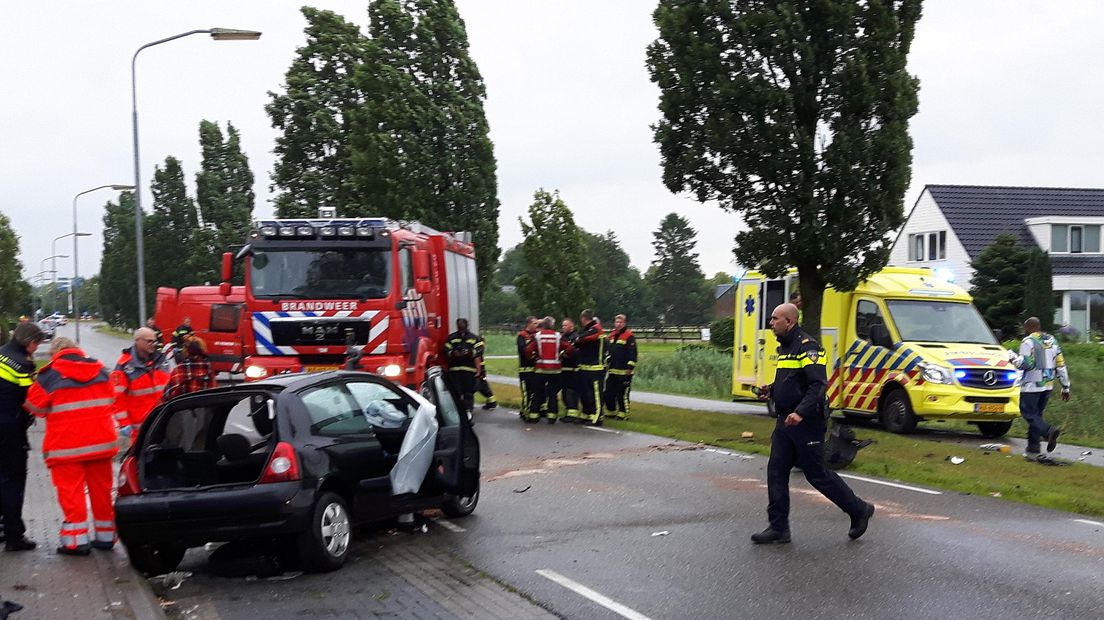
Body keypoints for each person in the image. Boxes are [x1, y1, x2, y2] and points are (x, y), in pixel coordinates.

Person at [751, 303, 873, 545]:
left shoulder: (809, 348)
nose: (771, 323)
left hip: (806, 422)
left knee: (816, 474)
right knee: (776, 471)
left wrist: (800, 413)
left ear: (790, 321)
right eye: (772, 319)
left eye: (775, 319)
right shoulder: (786, 347)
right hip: (785, 421)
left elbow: (817, 385)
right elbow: (792, 381)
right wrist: (772, 390)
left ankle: (859, 510)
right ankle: (778, 528)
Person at [23, 338, 118, 555]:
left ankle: (76, 542)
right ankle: (105, 537)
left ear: (56, 351)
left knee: (71, 493)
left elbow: (34, 407)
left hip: (66, 447)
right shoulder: (100, 369)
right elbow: (112, 398)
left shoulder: (50, 375)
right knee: (101, 492)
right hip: (101, 443)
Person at [0, 323, 45, 552]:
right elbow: (31, 402)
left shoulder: (1, 355)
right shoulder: (22, 364)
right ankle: (14, 536)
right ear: (30, 343)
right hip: (9, 431)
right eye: (37, 344)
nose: (36, 349)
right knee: (13, 482)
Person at [1010, 316, 1071, 460]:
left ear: (1028, 328)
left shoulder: (1028, 342)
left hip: (1032, 385)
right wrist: (1065, 386)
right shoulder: (1052, 341)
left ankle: (1048, 431)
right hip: (1047, 385)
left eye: (1025, 328)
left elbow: (1027, 364)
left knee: (1028, 413)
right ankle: (1033, 446)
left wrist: (1012, 358)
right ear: (1039, 326)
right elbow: (1060, 365)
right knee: (1037, 415)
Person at [111, 327, 171, 437]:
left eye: (154, 341)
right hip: (139, 430)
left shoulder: (162, 361)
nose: (153, 344)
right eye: (149, 341)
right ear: (137, 341)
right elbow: (117, 397)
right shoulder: (125, 365)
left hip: (163, 422)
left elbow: (169, 389)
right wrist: (124, 424)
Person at [528, 317, 567, 423]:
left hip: (541, 369)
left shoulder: (538, 336)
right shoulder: (558, 336)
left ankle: (533, 416)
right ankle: (552, 417)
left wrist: (534, 357)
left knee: (537, 393)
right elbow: (569, 348)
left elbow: (528, 349)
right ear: (552, 325)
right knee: (553, 394)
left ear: (544, 325)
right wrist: (563, 355)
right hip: (555, 370)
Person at [443, 319, 482, 416]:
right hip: (455, 371)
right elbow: (446, 351)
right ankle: (456, 413)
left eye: (462, 324)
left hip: (469, 371)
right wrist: (453, 353)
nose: (460, 326)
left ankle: (468, 412)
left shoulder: (474, 338)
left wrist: (469, 353)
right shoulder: (451, 338)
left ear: (467, 325)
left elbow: (478, 353)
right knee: (455, 393)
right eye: (459, 324)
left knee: (468, 393)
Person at [162, 335, 218, 401]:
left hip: (183, 409)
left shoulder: (180, 370)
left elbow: (167, 396)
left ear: (186, 351)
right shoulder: (209, 369)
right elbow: (214, 393)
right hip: (205, 409)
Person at [575, 309, 606, 425]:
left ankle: (597, 417)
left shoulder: (596, 329)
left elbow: (582, 339)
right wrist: (578, 339)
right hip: (585, 367)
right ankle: (586, 414)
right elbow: (578, 340)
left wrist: (579, 339)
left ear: (583, 318)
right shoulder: (586, 329)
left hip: (595, 368)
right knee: (585, 393)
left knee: (596, 394)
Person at [603, 313, 637, 420]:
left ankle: (623, 413)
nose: (618, 324)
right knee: (608, 393)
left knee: (622, 394)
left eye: (620, 322)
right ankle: (611, 411)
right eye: (616, 322)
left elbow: (633, 353)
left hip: (624, 371)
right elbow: (609, 351)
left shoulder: (629, 336)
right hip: (613, 370)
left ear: (624, 323)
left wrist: (630, 367)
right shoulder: (612, 335)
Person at [515, 317, 539, 421]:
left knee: (533, 392)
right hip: (525, 369)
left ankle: (529, 410)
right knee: (526, 393)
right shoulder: (522, 335)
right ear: (529, 324)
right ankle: (525, 412)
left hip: (535, 369)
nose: (537, 325)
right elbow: (522, 350)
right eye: (535, 323)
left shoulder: (536, 335)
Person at [560, 318, 580, 419]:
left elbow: (574, 352)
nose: (563, 327)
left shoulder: (575, 337)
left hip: (573, 370)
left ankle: (572, 414)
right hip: (564, 369)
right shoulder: (563, 337)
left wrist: (563, 353)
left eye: (565, 325)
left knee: (571, 392)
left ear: (571, 326)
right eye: (562, 326)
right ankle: (568, 412)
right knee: (565, 393)